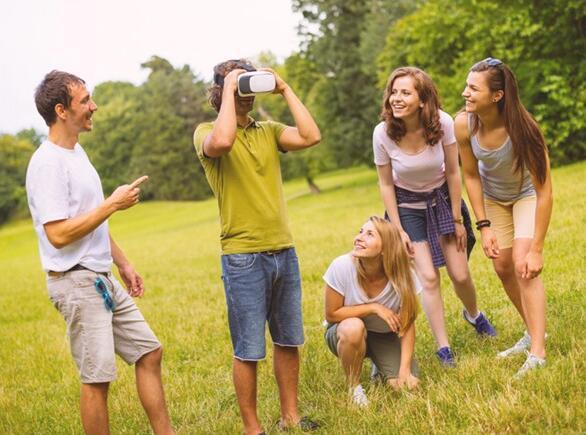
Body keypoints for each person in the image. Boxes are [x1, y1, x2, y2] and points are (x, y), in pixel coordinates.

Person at [25, 71, 174, 434]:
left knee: (148, 351)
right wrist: (112, 204)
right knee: (97, 379)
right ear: (61, 110)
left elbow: (89, 219)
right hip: (75, 281)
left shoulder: (77, 152)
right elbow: (58, 234)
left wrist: (123, 262)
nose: (94, 106)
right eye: (85, 100)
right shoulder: (47, 164)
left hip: (100, 277)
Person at [193, 59, 321, 435]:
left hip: (284, 249)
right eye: (238, 86)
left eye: (250, 84)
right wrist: (230, 90)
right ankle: (253, 428)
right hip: (242, 256)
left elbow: (311, 136)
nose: (246, 93)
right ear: (219, 92)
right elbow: (223, 141)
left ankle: (290, 417)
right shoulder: (205, 131)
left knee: (288, 339)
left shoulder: (269, 130)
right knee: (248, 348)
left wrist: (283, 88)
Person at [373, 66, 496, 368]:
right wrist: (398, 230)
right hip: (407, 209)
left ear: (423, 99)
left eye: (405, 93)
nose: (395, 99)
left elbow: (454, 171)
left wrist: (456, 217)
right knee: (428, 277)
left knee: (460, 273)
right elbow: (386, 184)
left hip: (442, 201)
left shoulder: (442, 122)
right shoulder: (383, 133)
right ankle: (444, 349)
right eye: (393, 92)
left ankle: (474, 315)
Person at [455, 58, 553, 378]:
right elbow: (470, 175)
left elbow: (545, 191)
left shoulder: (525, 130)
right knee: (502, 266)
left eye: (473, 88)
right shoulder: (464, 124)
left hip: (525, 195)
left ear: (497, 96)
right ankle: (532, 331)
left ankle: (538, 352)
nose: (464, 92)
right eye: (467, 85)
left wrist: (536, 247)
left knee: (525, 266)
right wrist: (483, 226)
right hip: (494, 200)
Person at [324, 216, 420, 408]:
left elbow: (408, 324)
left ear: (386, 248)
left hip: (385, 335)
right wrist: (374, 308)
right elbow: (332, 314)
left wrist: (404, 370)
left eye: (369, 234)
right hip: (345, 332)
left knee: (406, 387)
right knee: (354, 327)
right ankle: (355, 388)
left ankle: (380, 365)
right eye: (360, 232)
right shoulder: (342, 266)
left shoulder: (404, 274)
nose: (359, 238)